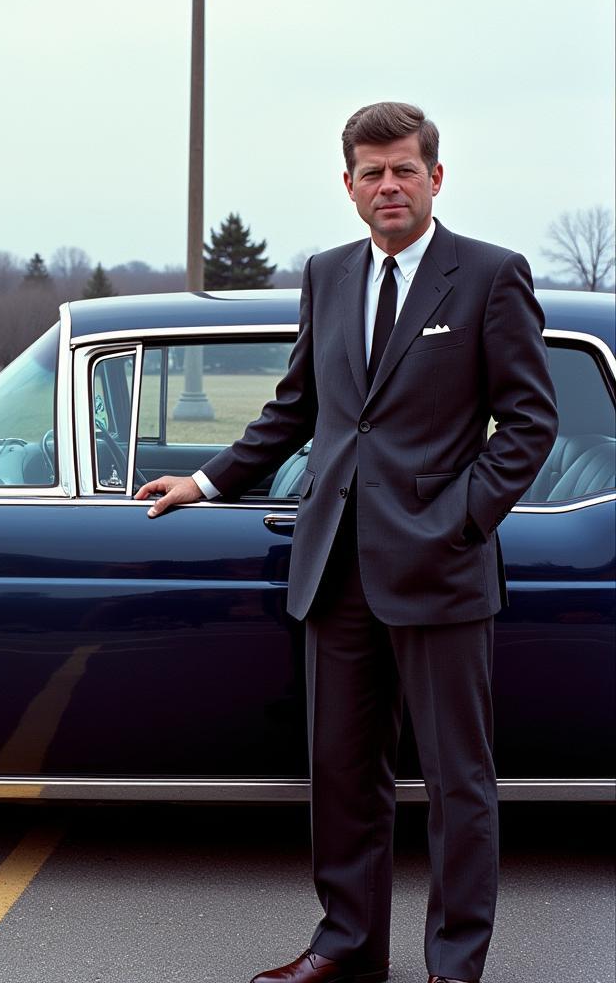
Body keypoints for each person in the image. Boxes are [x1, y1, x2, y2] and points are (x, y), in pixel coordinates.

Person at [134, 102, 558, 983]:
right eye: (373, 172)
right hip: (334, 570)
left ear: (436, 178)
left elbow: (527, 423)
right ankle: (347, 946)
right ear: (349, 186)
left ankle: (454, 965)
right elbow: (298, 409)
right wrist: (207, 481)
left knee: (457, 782)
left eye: (405, 169)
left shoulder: (488, 275)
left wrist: (462, 522)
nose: (389, 185)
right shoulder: (327, 276)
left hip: (440, 569)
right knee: (342, 776)